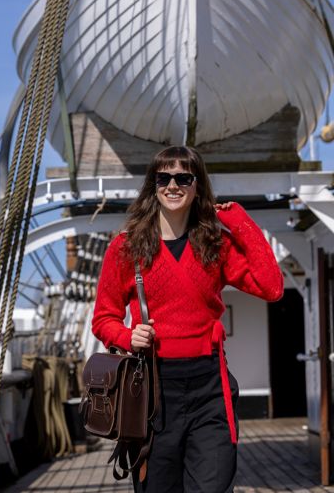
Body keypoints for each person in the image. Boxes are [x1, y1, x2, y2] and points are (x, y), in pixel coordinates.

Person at [91, 146, 283, 493]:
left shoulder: (216, 244)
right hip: (152, 390)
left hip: (210, 387)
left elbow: (271, 287)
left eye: (184, 177)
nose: (173, 185)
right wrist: (126, 336)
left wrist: (237, 219)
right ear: (153, 185)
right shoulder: (125, 247)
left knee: (214, 485)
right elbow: (103, 318)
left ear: (197, 186)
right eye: (163, 178)